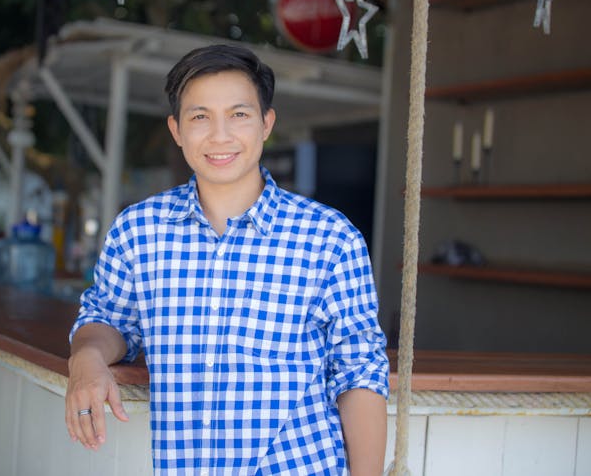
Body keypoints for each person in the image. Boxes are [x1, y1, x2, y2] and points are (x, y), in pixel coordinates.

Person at [65, 44, 389, 475]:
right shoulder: (138, 230)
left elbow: (359, 372)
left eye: (239, 114)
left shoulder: (329, 238)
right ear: (176, 129)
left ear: (266, 124)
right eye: (200, 117)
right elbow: (109, 318)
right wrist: (85, 358)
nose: (220, 136)